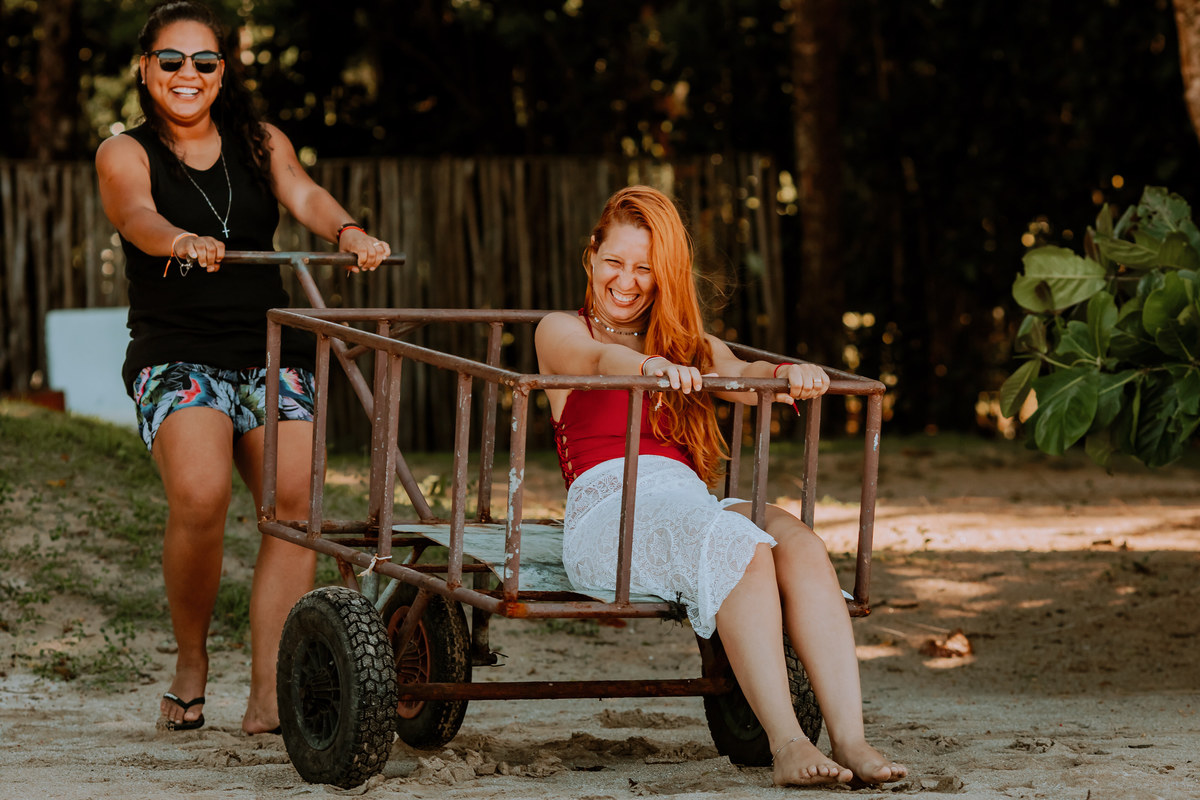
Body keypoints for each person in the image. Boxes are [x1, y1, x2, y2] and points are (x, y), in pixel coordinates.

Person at [534, 185, 906, 787]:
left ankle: (853, 740)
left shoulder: (684, 344)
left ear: (664, 276)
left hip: (686, 501)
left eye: (645, 269)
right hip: (611, 509)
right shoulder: (561, 330)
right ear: (590, 259)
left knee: (799, 542)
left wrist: (787, 374)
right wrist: (647, 367)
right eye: (614, 262)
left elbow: (739, 374)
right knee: (743, 544)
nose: (626, 281)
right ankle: (786, 743)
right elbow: (597, 362)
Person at [95, 0, 392, 734]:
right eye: (171, 61)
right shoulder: (124, 151)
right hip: (178, 347)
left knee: (293, 508)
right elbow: (136, 216)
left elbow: (305, 195)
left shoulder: (260, 141)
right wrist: (180, 240)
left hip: (269, 345)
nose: (187, 74)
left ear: (223, 72)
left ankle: (269, 694)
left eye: (204, 61)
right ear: (145, 69)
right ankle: (191, 662)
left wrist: (348, 230)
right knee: (200, 495)